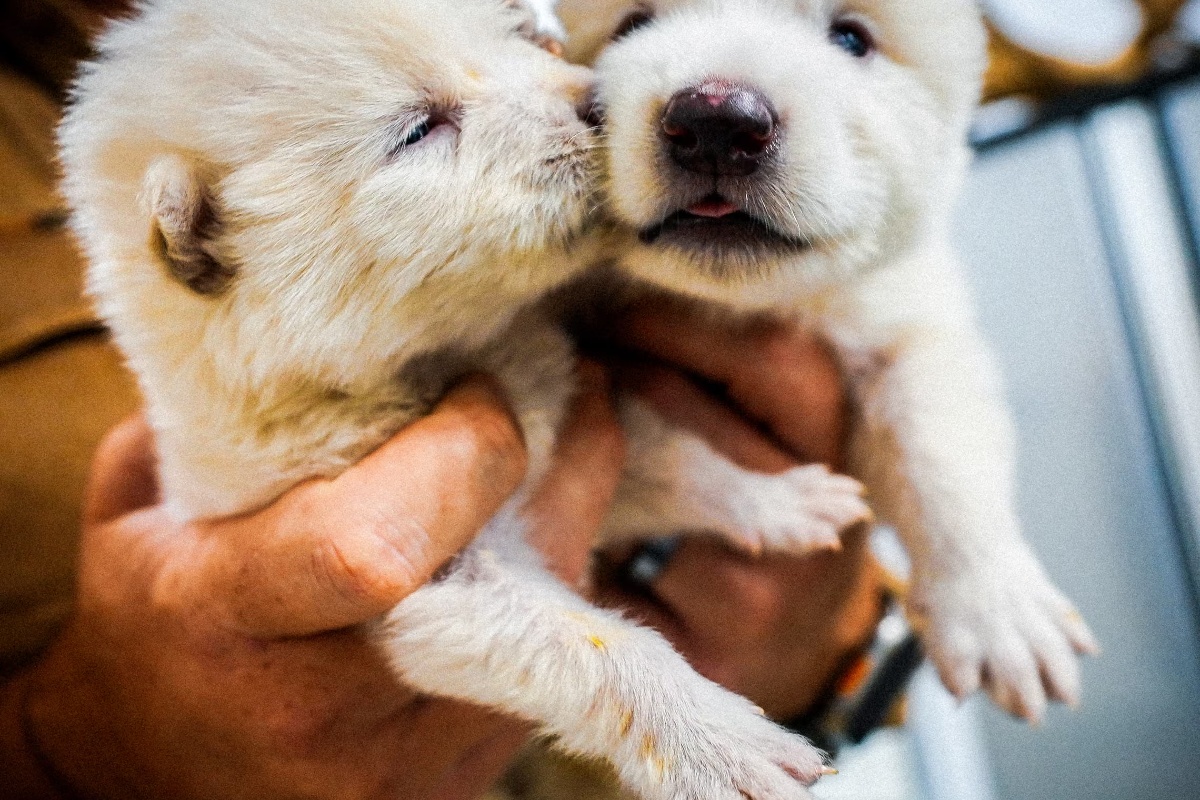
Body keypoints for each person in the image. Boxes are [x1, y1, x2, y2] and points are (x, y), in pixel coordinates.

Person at [0, 6, 886, 796]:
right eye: (421, 132)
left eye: (522, 37)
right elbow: (448, 600)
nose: (581, 94)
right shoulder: (296, 430)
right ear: (209, 244)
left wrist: (821, 631)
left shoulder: (486, 320)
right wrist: (72, 756)